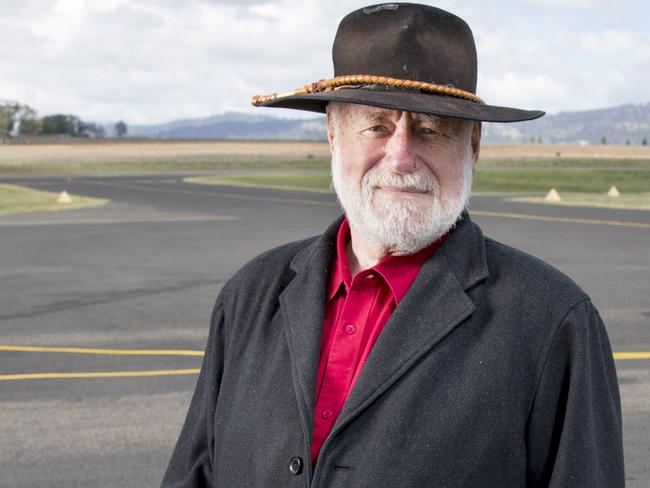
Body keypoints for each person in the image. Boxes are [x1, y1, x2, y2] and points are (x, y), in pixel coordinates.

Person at [162, 4, 624, 487]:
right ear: (333, 132)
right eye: (376, 126)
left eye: (430, 130)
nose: (401, 157)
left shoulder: (552, 322)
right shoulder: (249, 295)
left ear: (472, 145)